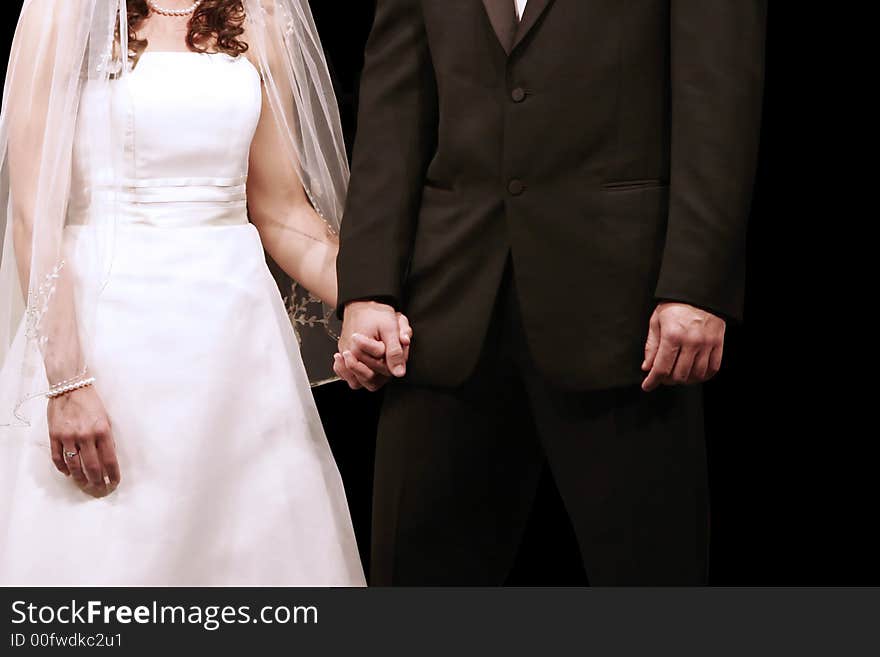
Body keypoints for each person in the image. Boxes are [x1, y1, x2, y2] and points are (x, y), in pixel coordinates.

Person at [334, 0, 767, 585]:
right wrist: (368, 288)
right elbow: (393, 108)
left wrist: (696, 285)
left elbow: (719, 100)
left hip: (626, 314)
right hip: (444, 307)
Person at [0, 0, 406, 586]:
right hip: (105, 337)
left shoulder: (261, 12)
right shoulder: (64, 10)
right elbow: (32, 215)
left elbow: (284, 212)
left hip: (235, 344)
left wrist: (369, 300)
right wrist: (67, 380)